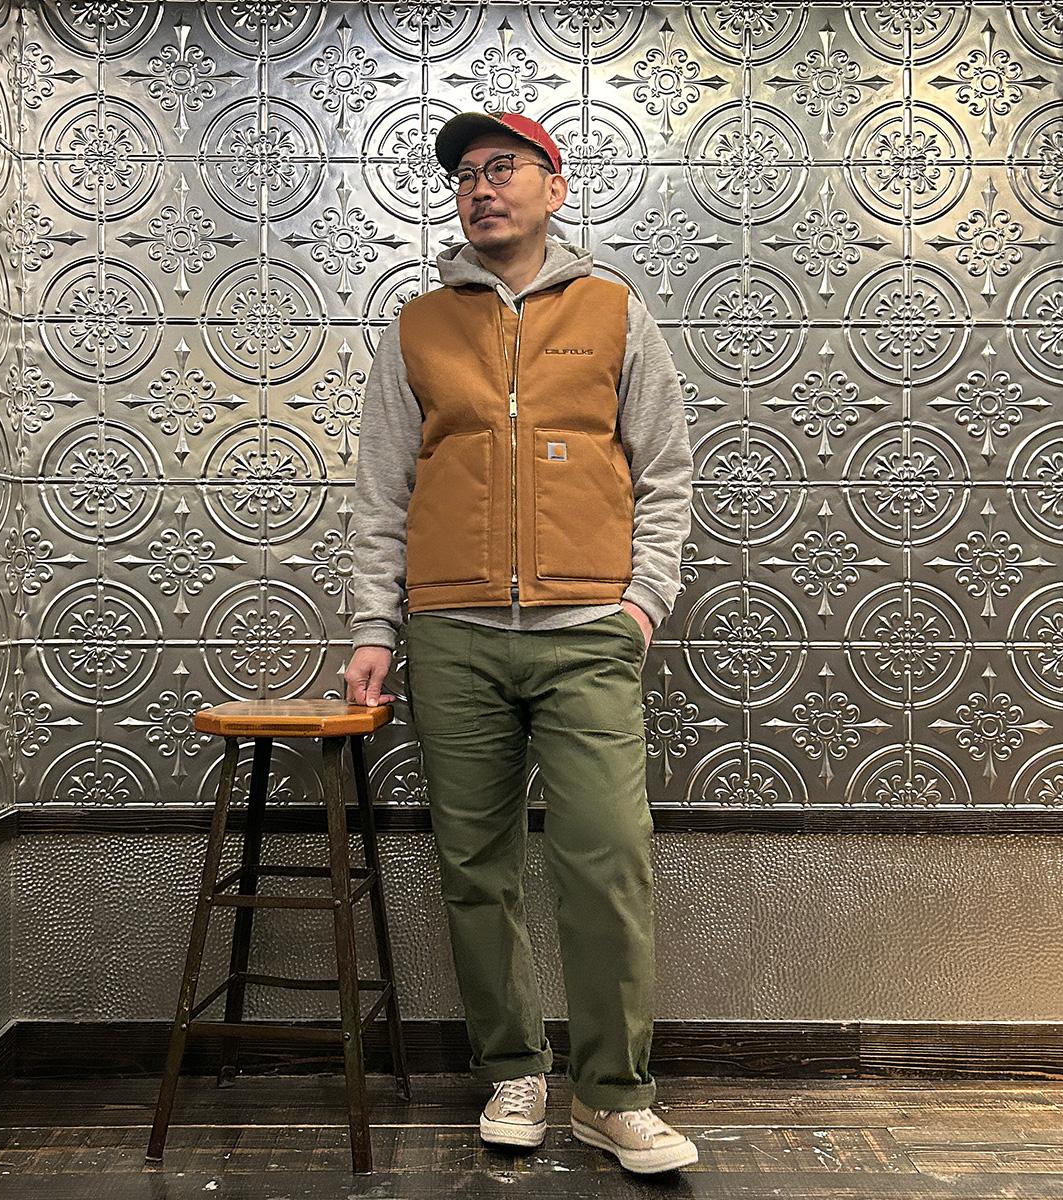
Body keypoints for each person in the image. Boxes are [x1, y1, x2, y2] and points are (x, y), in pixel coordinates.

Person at [343, 110, 696, 1175]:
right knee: (475, 867)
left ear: (556, 186)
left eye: (504, 168)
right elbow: (382, 492)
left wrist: (642, 603)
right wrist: (375, 627)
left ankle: (613, 1096)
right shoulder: (418, 326)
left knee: (608, 861)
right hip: (452, 636)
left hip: (588, 632)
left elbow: (664, 469)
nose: (481, 188)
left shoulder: (615, 311)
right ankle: (512, 1069)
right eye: (465, 175)